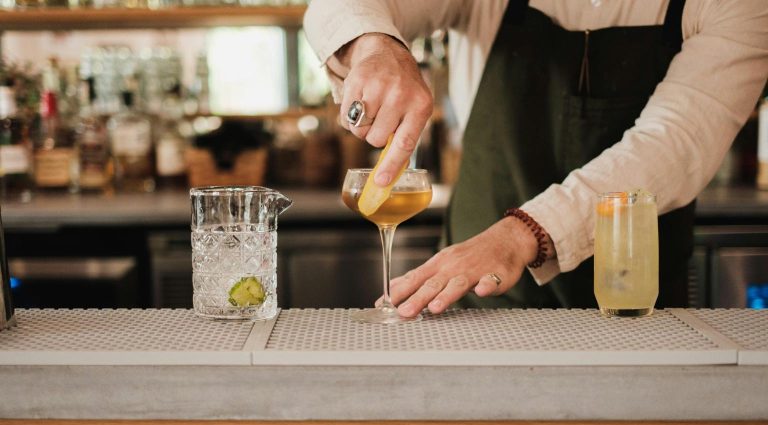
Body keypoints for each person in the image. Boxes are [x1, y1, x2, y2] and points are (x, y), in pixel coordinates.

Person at [303, 0, 768, 317]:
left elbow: (674, 142)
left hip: (637, 311)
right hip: (478, 303)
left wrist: (522, 234)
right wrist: (376, 46)